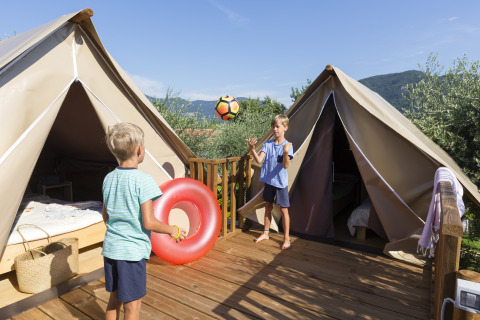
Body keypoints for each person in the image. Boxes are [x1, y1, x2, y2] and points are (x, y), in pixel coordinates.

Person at [102, 122, 186, 320]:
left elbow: (106, 216)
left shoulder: (108, 178)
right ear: (139, 150)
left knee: (114, 301)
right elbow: (149, 222)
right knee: (133, 308)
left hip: (111, 249)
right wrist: (172, 230)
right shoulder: (143, 180)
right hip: (131, 254)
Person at [247, 114, 293, 250]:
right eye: (273, 126)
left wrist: (285, 153)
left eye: (277, 126)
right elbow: (259, 160)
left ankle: (287, 239)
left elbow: (285, 166)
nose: (274, 129)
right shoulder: (267, 144)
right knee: (268, 206)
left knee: (284, 210)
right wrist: (252, 149)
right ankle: (266, 234)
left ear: (285, 128)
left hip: (280, 183)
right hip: (269, 182)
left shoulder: (288, 145)